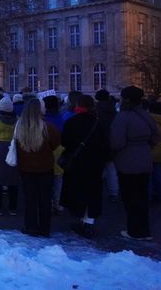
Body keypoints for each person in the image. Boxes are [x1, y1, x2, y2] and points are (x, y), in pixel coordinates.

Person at [110, 86, 159, 241]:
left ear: (127, 100)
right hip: (145, 160)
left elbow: (117, 142)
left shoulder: (123, 117)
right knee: (142, 196)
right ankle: (144, 230)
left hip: (127, 162)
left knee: (130, 197)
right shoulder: (146, 115)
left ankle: (134, 231)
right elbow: (155, 137)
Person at [60, 95, 109, 239]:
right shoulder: (99, 123)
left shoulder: (71, 122)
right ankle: (89, 222)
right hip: (95, 164)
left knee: (78, 192)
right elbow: (106, 144)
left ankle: (81, 219)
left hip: (77, 163)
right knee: (92, 193)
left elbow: (65, 142)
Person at [15, 98, 60, 237]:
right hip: (45, 168)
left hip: (26, 168)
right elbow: (56, 145)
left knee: (30, 199)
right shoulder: (48, 128)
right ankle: (45, 228)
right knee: (45, 200)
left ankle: (31, 227)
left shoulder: (19, 128)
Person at [95, 89, 119, 203]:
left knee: (97, 169)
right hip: (112, 141)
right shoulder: (113, 110)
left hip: (99, 143)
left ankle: (96, 191)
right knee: (111, 169)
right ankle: (114, 192)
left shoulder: (96, 110)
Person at [148, 101, 161, 202]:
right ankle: (158, 195)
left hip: (149, 150)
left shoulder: (149, 120)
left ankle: (149, 196)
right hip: (160, 150)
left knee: (148, 177)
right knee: (158, 175)